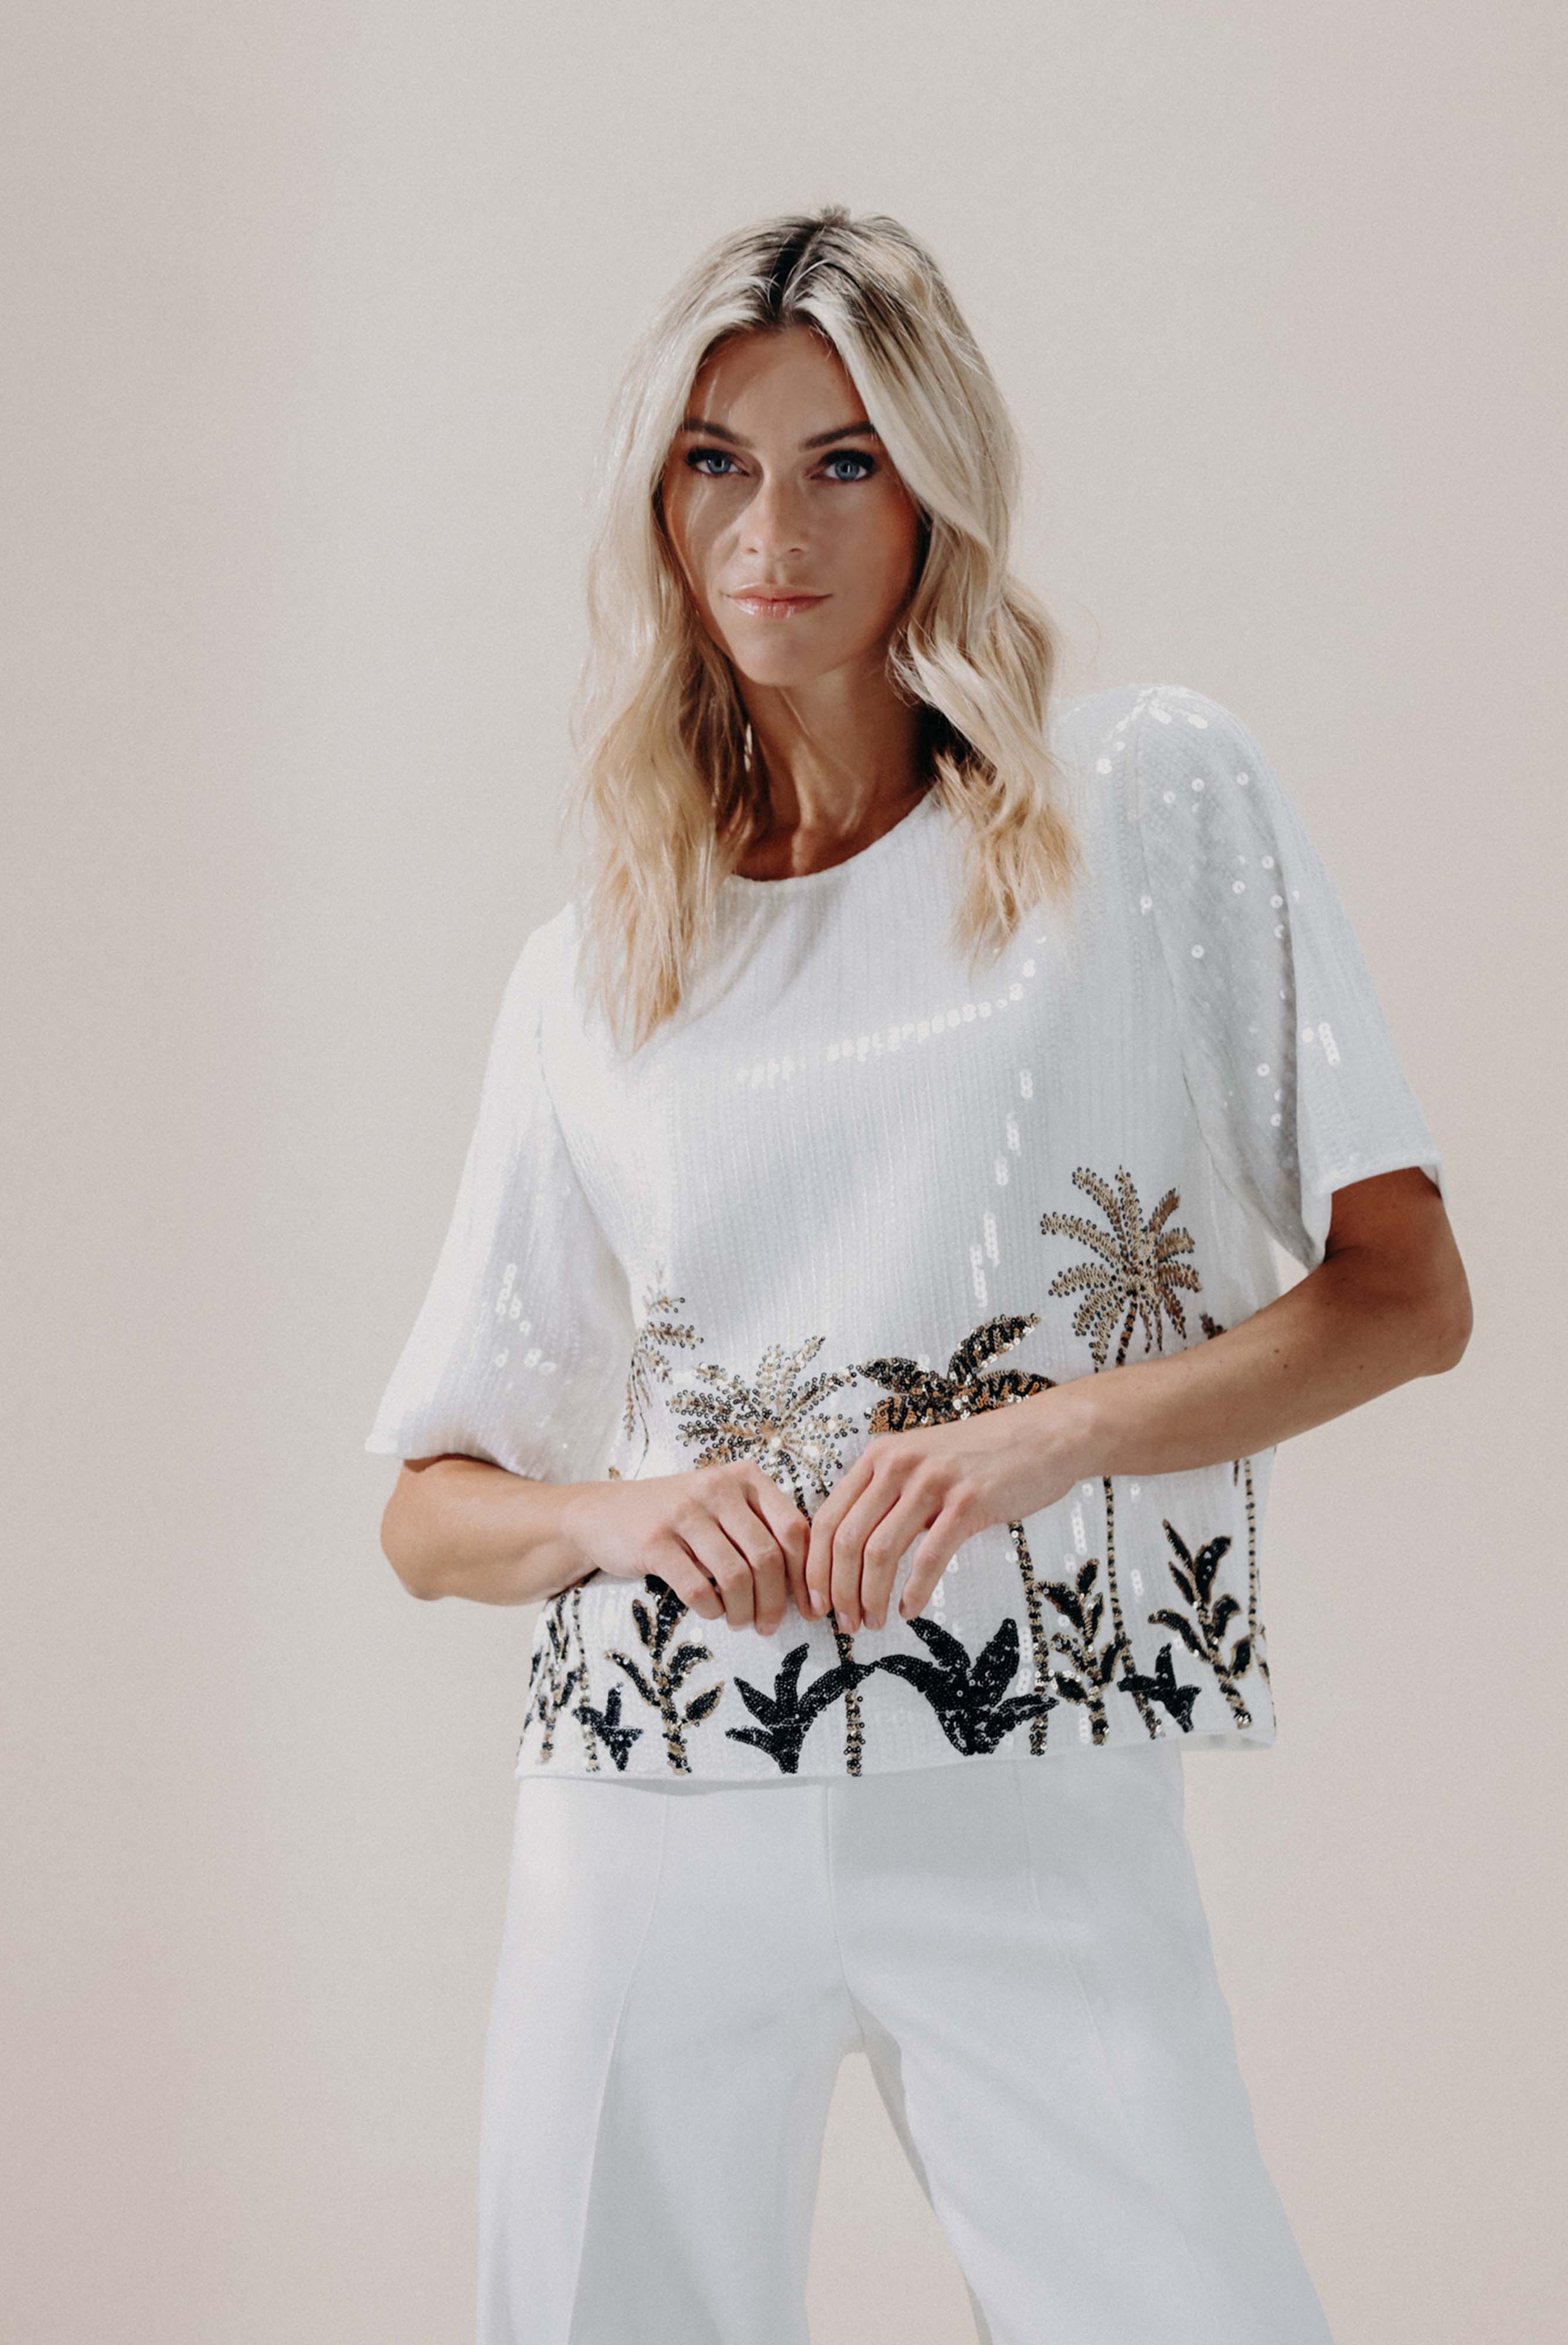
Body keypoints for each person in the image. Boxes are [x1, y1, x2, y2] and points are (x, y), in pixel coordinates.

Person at [364, 205, 1471, 2345]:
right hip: (653, 1792)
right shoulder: (592, 969)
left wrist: (1042, 1438)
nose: (769, 531)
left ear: (934, 490)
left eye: (841, 462)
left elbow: (1404, 1294)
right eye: (716, 462)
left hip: (1024, 1779)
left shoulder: (1141, 803)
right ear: (660, 504)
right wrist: (614, 1515)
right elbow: (427, 1512)